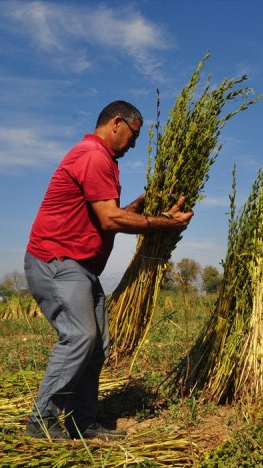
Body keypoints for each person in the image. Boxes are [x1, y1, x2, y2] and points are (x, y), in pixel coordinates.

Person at [24, 100, 193, 440]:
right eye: (134, 135)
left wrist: (139, 206)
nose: (134, 144)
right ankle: (41, 421)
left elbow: (104, 214)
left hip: (81, 267)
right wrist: (166, 224)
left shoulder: (103, 160)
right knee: (80, 336)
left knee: (97, 345)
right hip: (58, 261)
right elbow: (110, 220)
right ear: (117, 122)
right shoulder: (93, 155)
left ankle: (81, 422)